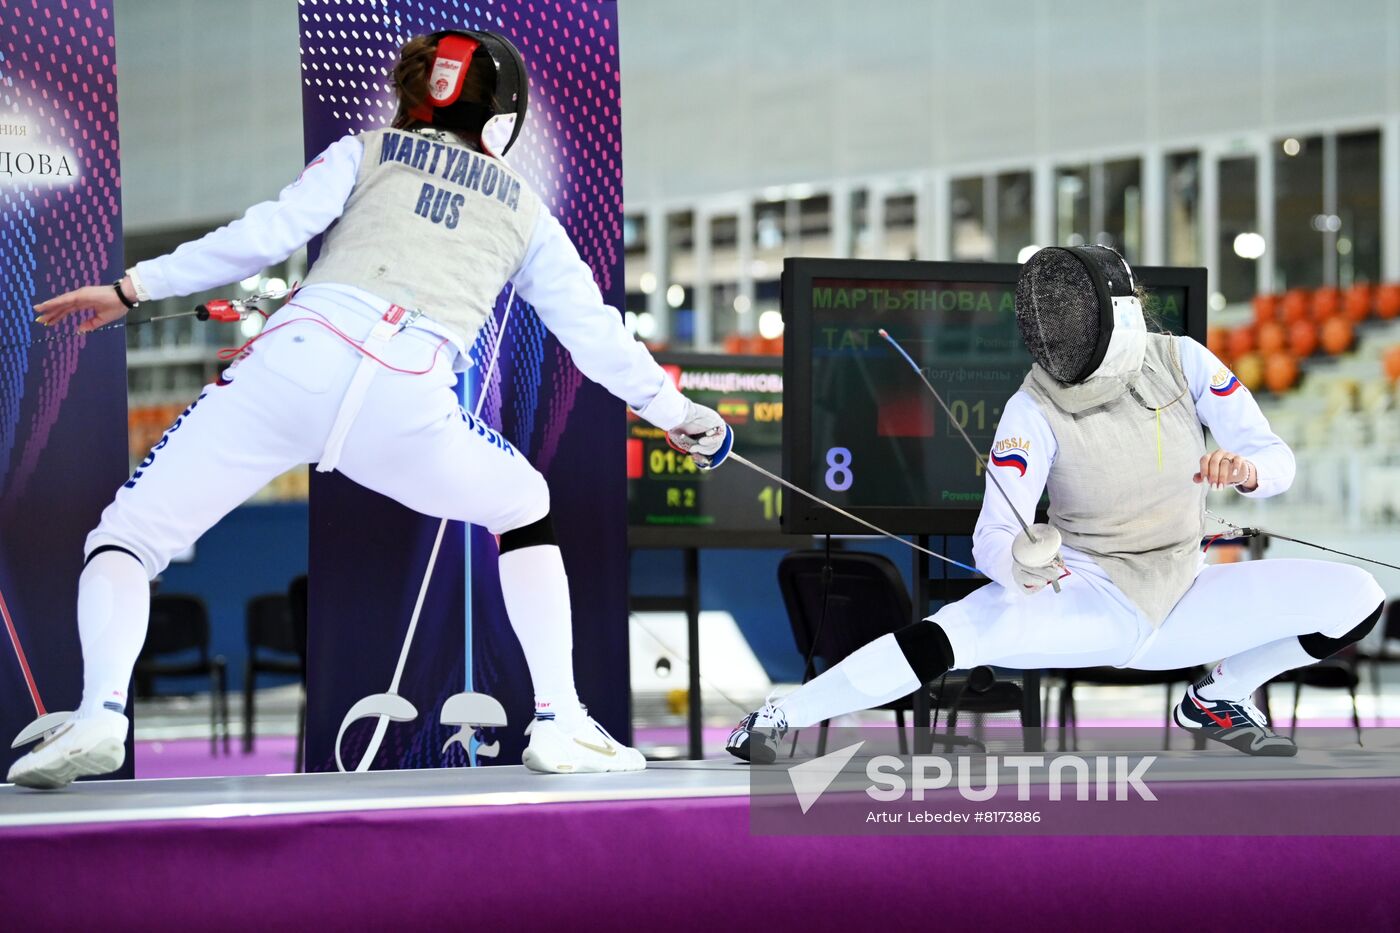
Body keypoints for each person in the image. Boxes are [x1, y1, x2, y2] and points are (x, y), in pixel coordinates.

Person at [10, 30, 729, 789]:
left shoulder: (366, 150)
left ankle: (101, 711)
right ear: (501, 120)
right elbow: (595, 336)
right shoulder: (525, 211)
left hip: (290, 362)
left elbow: (264, 235)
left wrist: (131, 288)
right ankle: (559, 720)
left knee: (127, 535)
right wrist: (678, 414)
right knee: (525, 503)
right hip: (406, 394)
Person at [728, 245, 1383, 762]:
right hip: (1088, 593)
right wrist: (1022, 563)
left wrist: (1247, 471)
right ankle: (783, 715)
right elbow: (992, 535)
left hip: (1186, 591)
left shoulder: (1183, 362)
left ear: (1123, 312)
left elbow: (1279, 462)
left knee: (1358, 595)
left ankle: (1219, 695)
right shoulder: (1031, 407)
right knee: (952, 633)